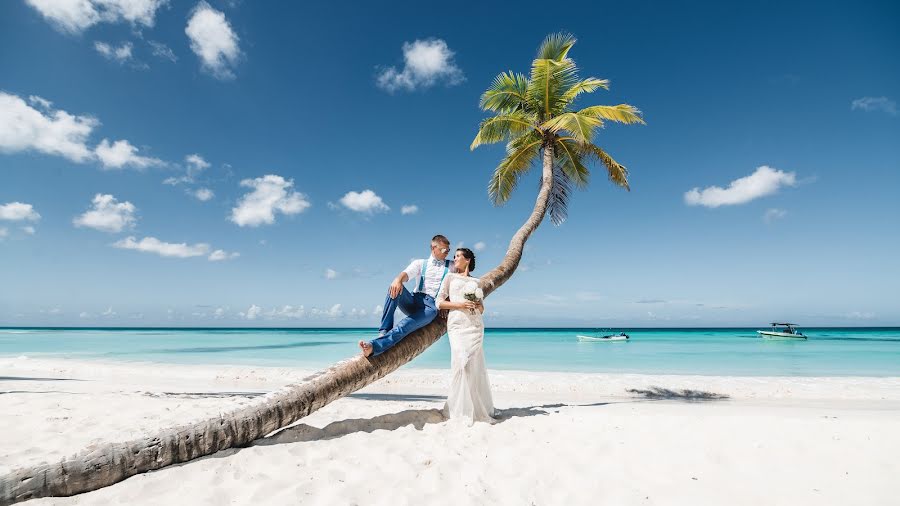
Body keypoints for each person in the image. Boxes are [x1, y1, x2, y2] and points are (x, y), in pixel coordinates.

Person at [359, 235, 455, 357]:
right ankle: (384, 331)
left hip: (430, 307)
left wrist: (447, 300)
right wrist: (398, 280)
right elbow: (405, 274)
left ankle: (374, 346)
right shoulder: (420, 263)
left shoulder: (452, 266)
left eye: (448, 250)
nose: (446, 252)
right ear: (433, 248)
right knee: (394, 287)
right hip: (413, 300)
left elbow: (461, 282)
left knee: (404, 326)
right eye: (443, 249)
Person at [436, 247, 496, 424]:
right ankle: (458, 408)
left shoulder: (476, 282)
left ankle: (476, 409)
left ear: (467, 260)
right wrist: (460, 305)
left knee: (472, 365)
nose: (454, 259)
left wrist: (476, 305)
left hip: (475, 325)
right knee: (461, 363)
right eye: (454, 256)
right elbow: (439, 302)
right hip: (457, 325)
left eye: (458, 256)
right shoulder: (450, 277)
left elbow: (482, 308)